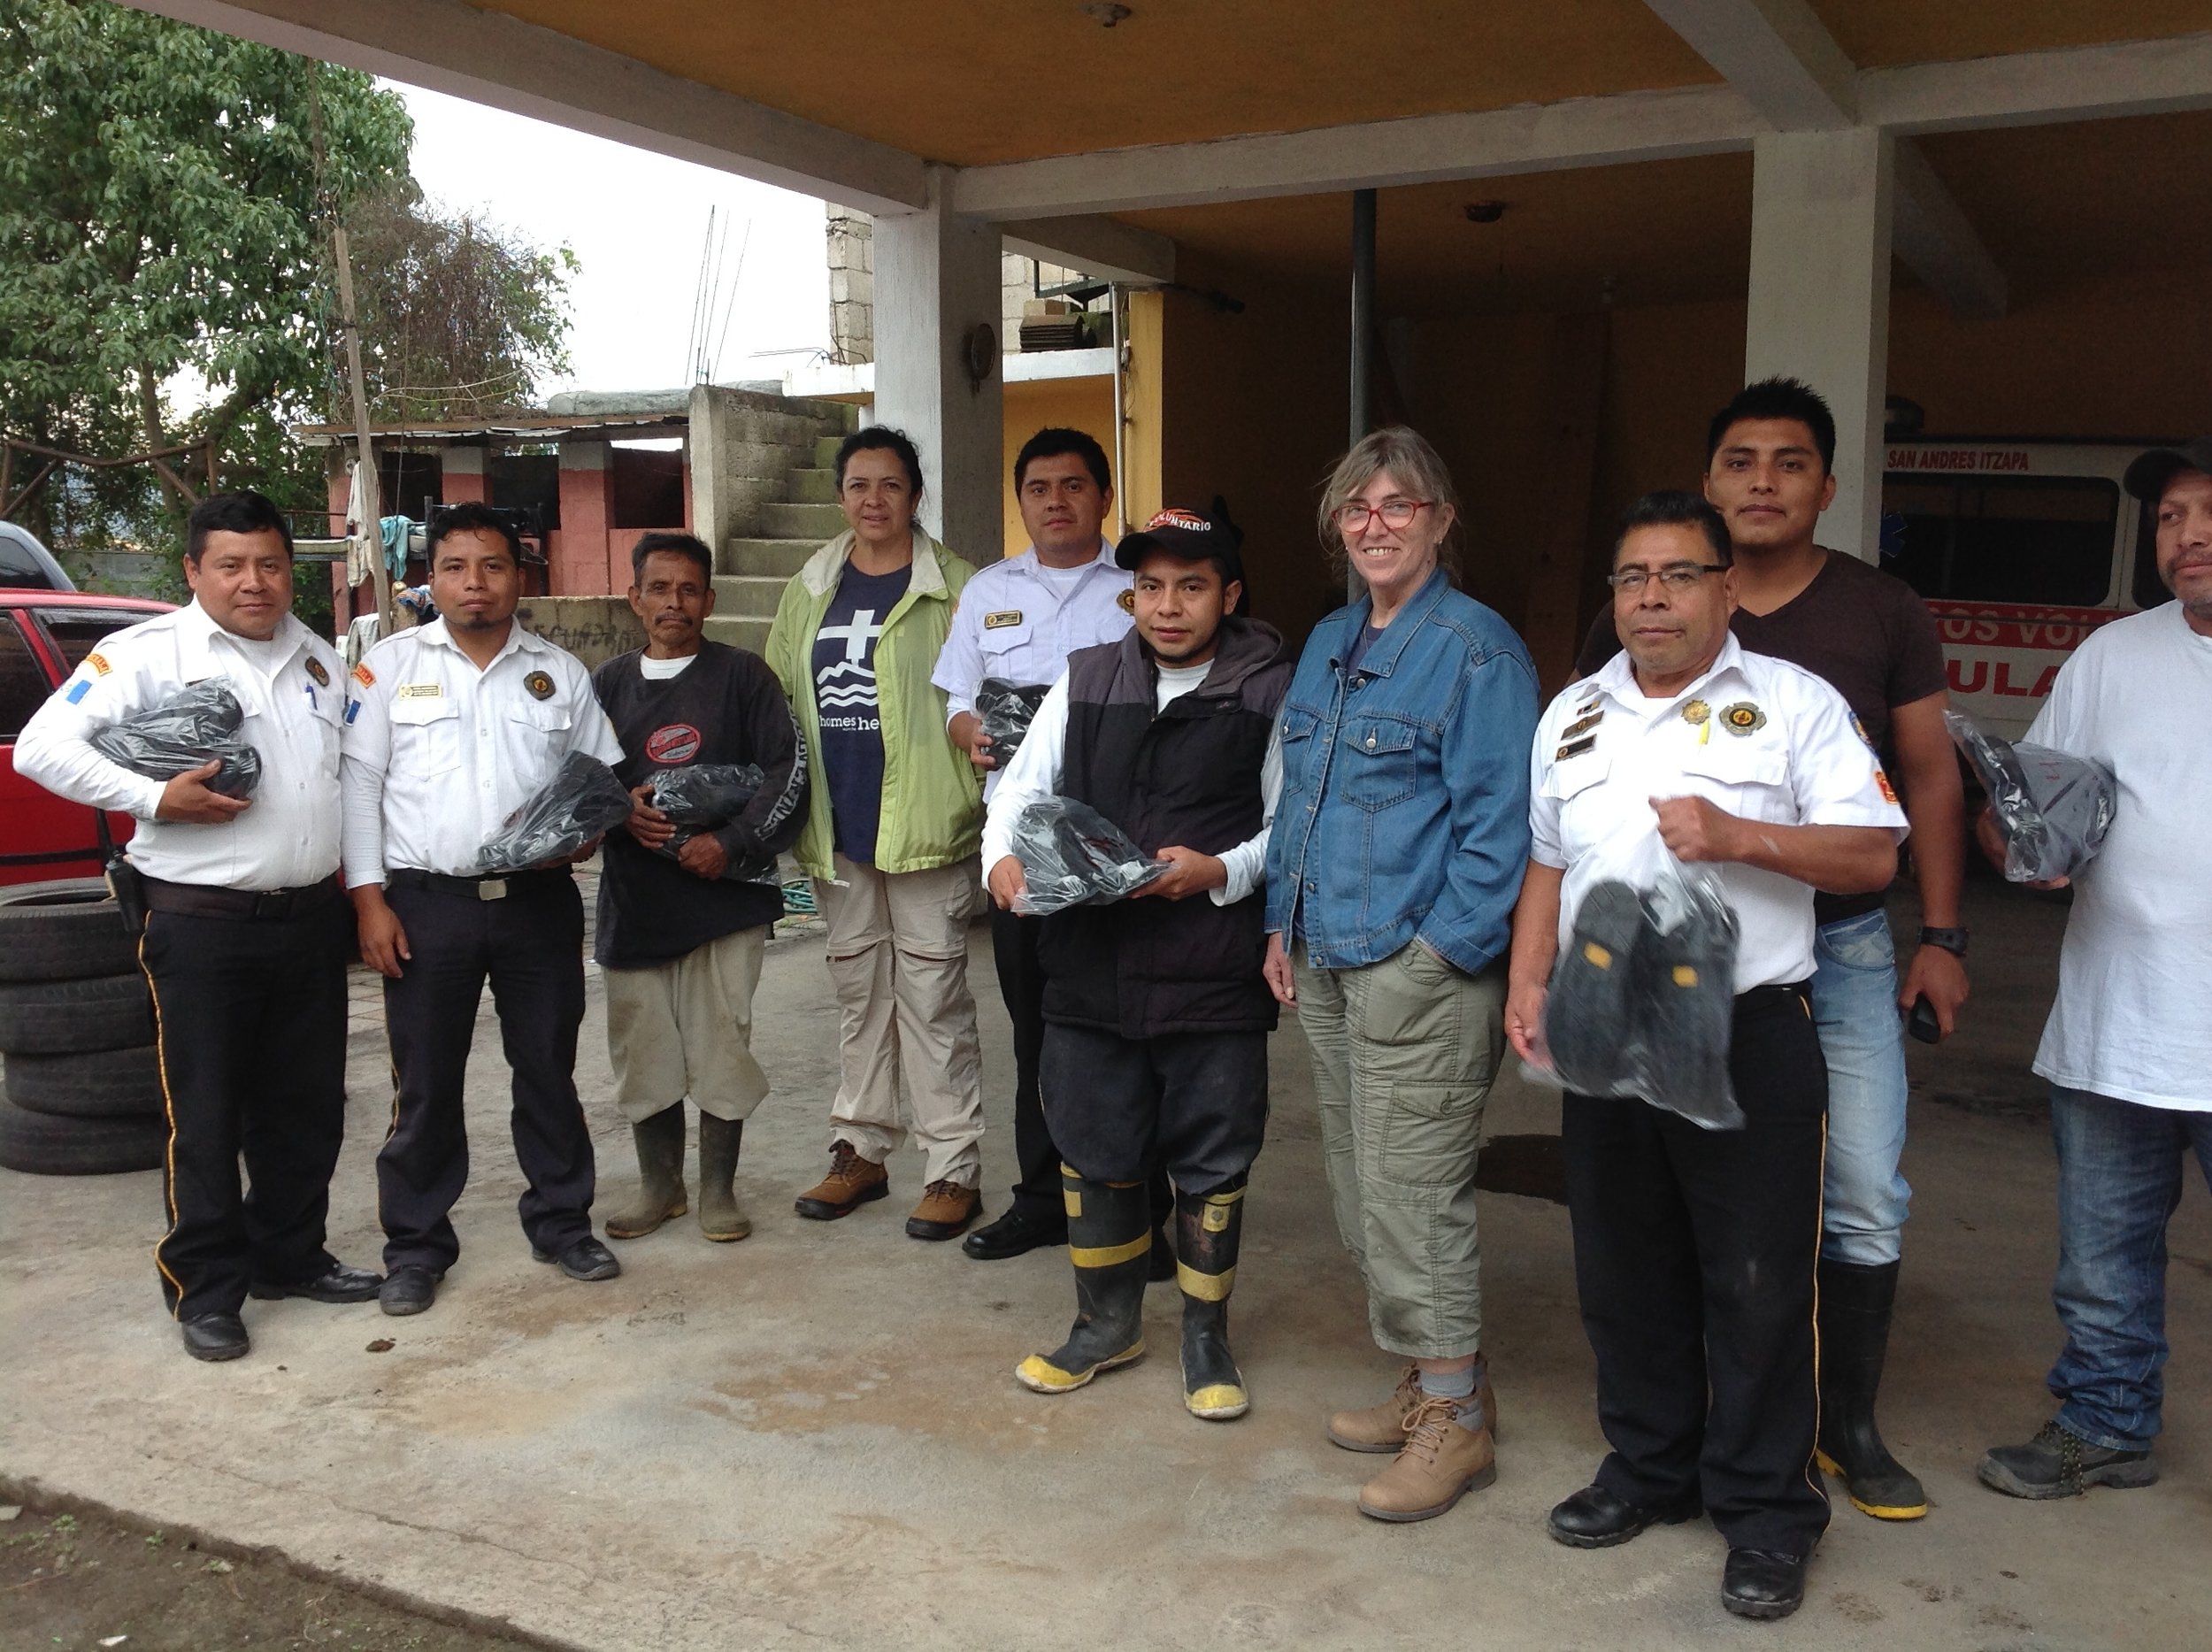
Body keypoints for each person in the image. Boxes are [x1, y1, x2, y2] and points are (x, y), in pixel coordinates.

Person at [1574, 377, 1969, 1521]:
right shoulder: (1634, 619)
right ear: (1708, 487)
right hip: (1657, 962)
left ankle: (1842, 1424)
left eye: (1789, 461)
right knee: (1657, 1218)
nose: (1762, 479)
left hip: (1825, 953)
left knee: (1857, 1194)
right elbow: (1581, 796)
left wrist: (1941, 934)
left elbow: (1927, 780)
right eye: (1740, 459)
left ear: (1827, 486)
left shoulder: (1878, 610)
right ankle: (1682, 1441)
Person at [1510, 492, 1907, 1621]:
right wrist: (1530, 976)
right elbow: (1547, 861)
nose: (1651, 597)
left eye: (1679, 574)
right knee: (1624, 1273)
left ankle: (1766, 1510)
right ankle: (1649, 1466)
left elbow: (1873, 856)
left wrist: (1740, 837)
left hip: (1744, 1033)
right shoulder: (1573, 713)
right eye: (1632, 578)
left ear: (1726, 590)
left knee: (1758, 1284)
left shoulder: (1792, 705)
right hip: (1604, 1027)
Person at [15, 491, 377, 1362]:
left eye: (270, 564)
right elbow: (41, 747)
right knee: (206, 1113)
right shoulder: (142, 654)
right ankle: (205, 1286)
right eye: (231, 564)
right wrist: (152, 797)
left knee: (305, 1108)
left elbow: (349, 785)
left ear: (291, 570)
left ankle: (289, 1255)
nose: (253, 582)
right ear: (193, 570)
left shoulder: (322, 661)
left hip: (306, 921)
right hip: (200, 924)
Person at [1262, 426, 1539, 1521]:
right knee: (1360, 1188)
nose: (1374, 525)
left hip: (1416, 965)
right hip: (1325, 952)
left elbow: (1499, 833)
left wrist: (1436, 956)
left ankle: (1457, 1421)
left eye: (1398, 506)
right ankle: (1431, 1380)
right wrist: (1280, 925)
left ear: (1440, 520)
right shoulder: (1331, 636)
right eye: (1356, 508)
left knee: (1415, 1197)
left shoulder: (1479, 652)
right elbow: (1302, 798)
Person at [984, 504, 1290, 1418]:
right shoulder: (1086, 680)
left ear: (1228, 595)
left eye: (1190, 586)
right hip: (1090, 965)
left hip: (1209, 966)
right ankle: (1105, 1324)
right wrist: (1001, 859)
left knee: (1212, 1153)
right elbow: (1020, 790)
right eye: (1150, 586)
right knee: (1093, 1142)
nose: (1166, 606)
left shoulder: (1267, 691)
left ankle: (1206, 1334)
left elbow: (1293, 826)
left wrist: (1220, 872)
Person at [1975, 438, 2212, 1500]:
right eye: (2170, 517)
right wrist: (2016, 843)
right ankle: (2106, 1421)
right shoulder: (2113, 654)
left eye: (2207, 512)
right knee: (2101, 1265)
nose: (2188, 535)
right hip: (2120, 1018)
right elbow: (2041, 801)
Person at [342, 502, 627, 1316]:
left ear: (518, 575)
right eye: (457, 567)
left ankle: (562, 1221)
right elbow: (358, 786)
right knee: (425, 1081)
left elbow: (597, 780)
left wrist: (580, 838)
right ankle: (417, 1245)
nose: (476, 583)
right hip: (426, 902)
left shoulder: (558, 672)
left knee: (548, 1066)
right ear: (430, 578)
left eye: (493, 566)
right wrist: (369, 900)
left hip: (537, 903)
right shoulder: (389, 668)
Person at [932, 428, 1174, 1272]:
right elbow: (957, 700)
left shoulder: (1142, 587)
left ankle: (1145, 1208)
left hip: (1121, 844)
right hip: (1022, 849)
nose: (1056, 500)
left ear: (1104, 498)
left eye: (1074, 485)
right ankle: (1041, 1199)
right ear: (1022, 500)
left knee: (1134, 1026)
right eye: (1038, 487)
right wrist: (972, 736)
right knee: (1037, 1030)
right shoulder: (989, 590)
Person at [764, 426, 988, 1241]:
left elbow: (987, 701)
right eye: (858, 485)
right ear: (841, 496)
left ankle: (951, 1165)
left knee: (933, 999)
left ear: (916, 495)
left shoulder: (959, 586)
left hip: (927, 825)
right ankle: (861, 1149)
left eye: (890, 485)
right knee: (860, 997)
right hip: (840, 825)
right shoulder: (810, 587)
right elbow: (781, 698)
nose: (873, 500)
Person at [590, 531, 809, 1245]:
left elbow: (787, 772)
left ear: (709, 600)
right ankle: (661, 1188)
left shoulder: (745, 677)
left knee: (723, 1043)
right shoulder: (608, 685)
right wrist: (624, 812)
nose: (673, 602)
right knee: (642, 1047)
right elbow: (581, 782)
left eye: (688, 589)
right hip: (635, 900)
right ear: (634, 598)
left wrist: (731, 843)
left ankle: (719, 1190)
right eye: (659, 588)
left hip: (724, 901)